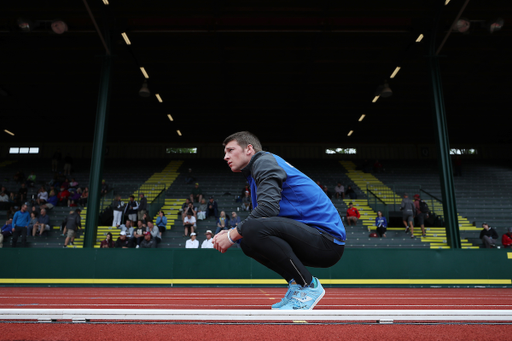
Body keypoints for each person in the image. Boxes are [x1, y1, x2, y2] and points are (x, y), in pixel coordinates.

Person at [214, 131, 345, 310]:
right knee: (247, 240)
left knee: (249, 230)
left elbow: (267, 209)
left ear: (249, 149)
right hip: (310, 237)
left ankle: (309, 286)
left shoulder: (263, 161)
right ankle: (297, 284)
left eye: (230, 150)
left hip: (327, 240)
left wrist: (231, 234)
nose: (225, 156)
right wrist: (236, 233)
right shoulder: (256, 170)